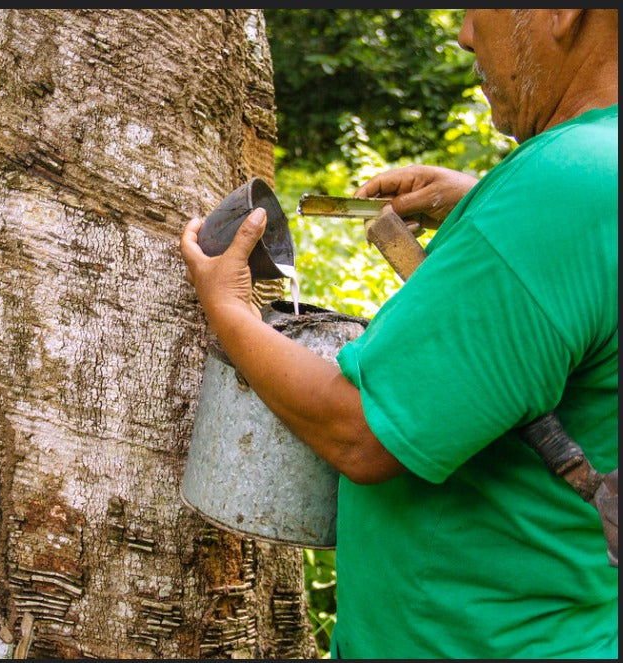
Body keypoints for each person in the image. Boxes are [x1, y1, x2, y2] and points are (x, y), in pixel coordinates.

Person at [179, 9, 617, 659]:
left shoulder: (560, 188)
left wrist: (231, 312)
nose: (466, 33)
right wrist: (479, 201)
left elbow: (360, 431)